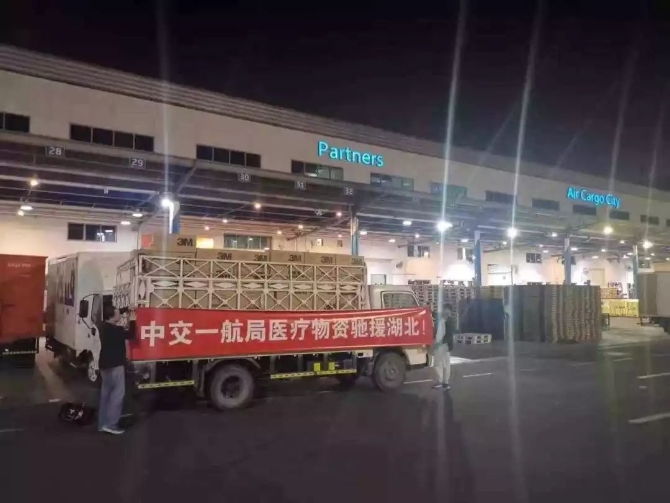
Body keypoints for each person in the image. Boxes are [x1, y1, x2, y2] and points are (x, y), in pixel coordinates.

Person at [98, 304, 136, 435]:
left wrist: (126, 309)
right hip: (116, 365)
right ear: (112, 316)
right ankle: (111, 425)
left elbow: (114, 313)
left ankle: (103, 424)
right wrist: (133, 320)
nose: (120, 315)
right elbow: (132, 335)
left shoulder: (102, 326)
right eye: (118, 314)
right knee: (117, 395)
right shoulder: (117, 330)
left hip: (104, 365)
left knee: (106, 395)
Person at [432, 303, 454, 390]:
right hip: (439, 344)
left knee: (445, 364)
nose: (445, 311)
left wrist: (439, 343)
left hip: (445, 345)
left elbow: (448, 335)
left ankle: (444, 382)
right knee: (438, 363)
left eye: (447, 310)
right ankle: (441, 381)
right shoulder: (441, 319)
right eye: (444, 309)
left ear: (450, 311)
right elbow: (433, 314)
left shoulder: (450, 321)